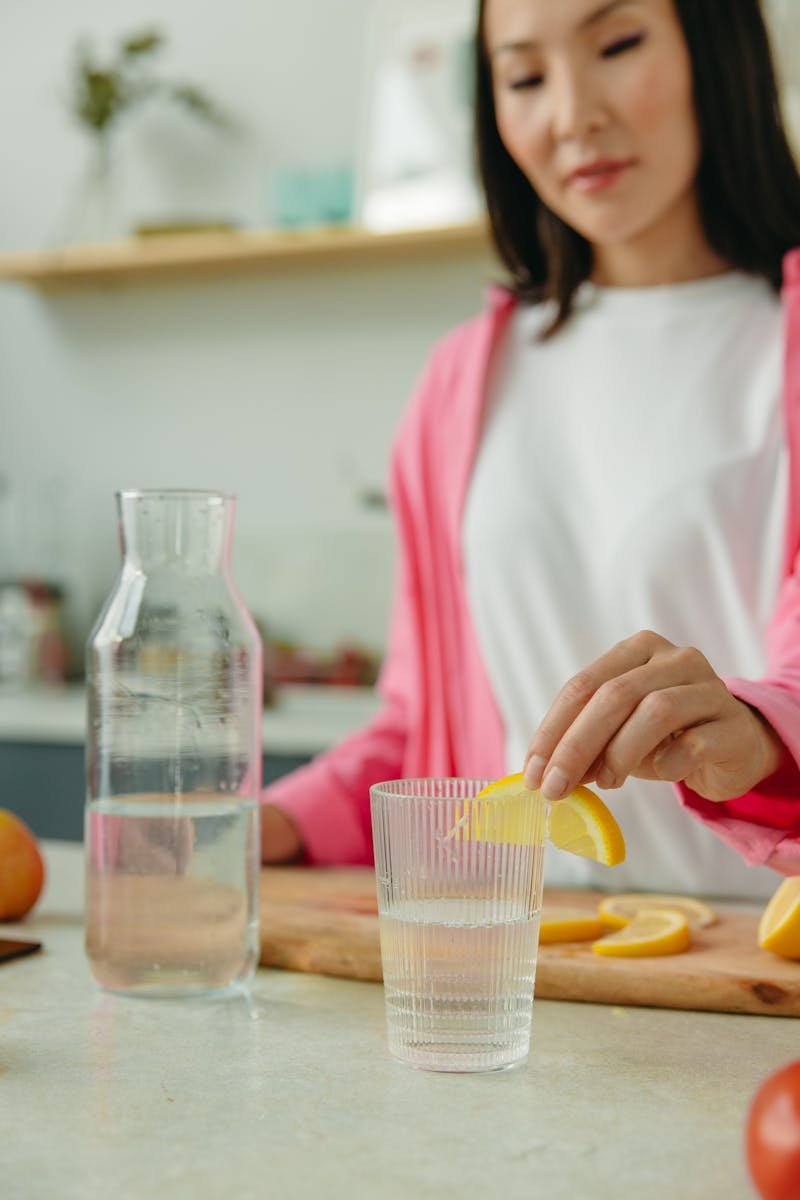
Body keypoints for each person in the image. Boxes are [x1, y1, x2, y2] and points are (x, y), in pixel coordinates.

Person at [260, 0, 800, 899]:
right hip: (526, 986)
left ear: (718, 47)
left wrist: (756, 734)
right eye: (524, 77)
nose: (571, 115)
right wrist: (268, 823)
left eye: (618, 44)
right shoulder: (459, 382)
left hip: (754, 981)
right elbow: (424, 731)